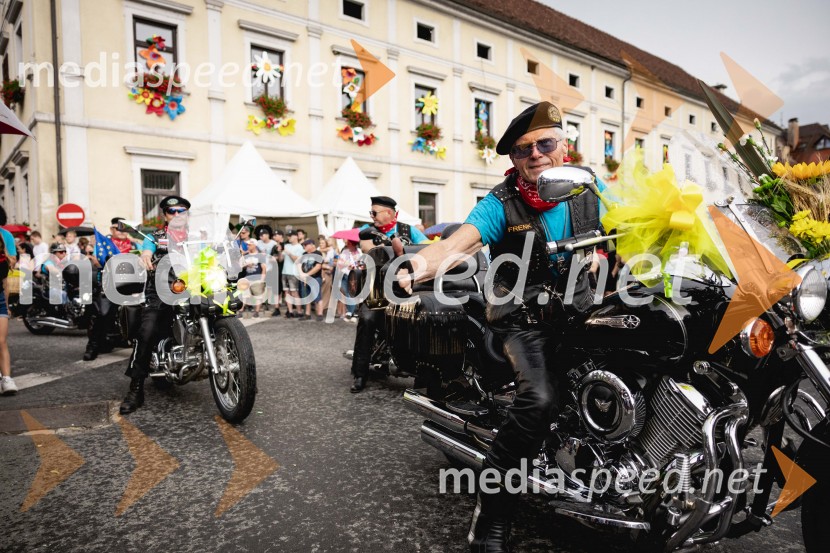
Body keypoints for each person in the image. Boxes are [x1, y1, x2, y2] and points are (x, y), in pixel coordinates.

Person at [397, 102, 603, 551]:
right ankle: (492, 517)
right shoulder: (500, 203)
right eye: (523, 149)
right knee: (540, 399)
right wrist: (413, 267)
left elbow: (642, 223)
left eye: (545, 143)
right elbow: (455, 244)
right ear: (513, 159)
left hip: (581, 314)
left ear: (563, 147)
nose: (536, 155)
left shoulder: (590, 187)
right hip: (522, 321)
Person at [349, 195, 429, 393]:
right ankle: (360, 374)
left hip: (403, 288)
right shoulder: (368, 231)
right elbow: (370, 250)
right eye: (371, 213)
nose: (372, 216)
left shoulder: (408, 230)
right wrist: (395, 247)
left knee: (424, 318)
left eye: (374, 213)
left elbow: (426, 246)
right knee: (367, 320)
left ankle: (423, 375)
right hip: (376, 291)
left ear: (390, 213)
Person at [120, 195, 191, 415]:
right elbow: (146, 251)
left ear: (188, 214)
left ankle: (242, 375)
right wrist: (145, 257)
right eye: (172, 212)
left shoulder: (199, 237)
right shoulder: (155, 237)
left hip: (196, 288)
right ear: (165, 215)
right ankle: (136, 388)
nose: (177, 215)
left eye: (182, 211)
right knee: (147, 330)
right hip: (162, 290)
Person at [0, 205, 17, 395]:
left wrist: (6, 304)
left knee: (1, 340)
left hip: (0, 294)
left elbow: (6, 277)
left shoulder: (6, 236)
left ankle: (6, 378)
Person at [278, 230, 303, 319]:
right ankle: (290, 311)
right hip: (285, 272)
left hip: (294, 272)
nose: (288, 238)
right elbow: (281, 260)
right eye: (288, 236)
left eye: (290, 236)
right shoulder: (287, 245)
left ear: (296, 236)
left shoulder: (299, 247)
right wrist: (280, 252)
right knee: (286, 292)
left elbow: (297, 260)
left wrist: (288, 253)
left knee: (294, 292)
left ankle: (299, 311)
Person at [298, 238, 324, 321]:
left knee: (317, 296)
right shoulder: (304, 254)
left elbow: (318, 266)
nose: (304, 246)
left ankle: (320, 314)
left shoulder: (318, 253)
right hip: (305, 279)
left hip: (315, 278)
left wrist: (307, 274)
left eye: (306, 245)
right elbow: (299, 264)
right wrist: (301, 274)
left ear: (312, 245)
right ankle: (307, 314)